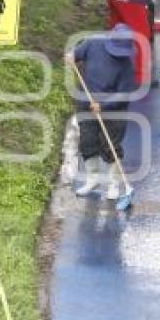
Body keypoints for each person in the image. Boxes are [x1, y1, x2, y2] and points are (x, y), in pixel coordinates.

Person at [65, 23, 137, 201]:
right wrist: (72, 56)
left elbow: (124, 94)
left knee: (110, 145)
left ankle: (114, 185)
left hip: (114, 109)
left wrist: (103, 105)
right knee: (87, 141)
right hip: (87, 100)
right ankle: (93, 180)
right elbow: (76, 53)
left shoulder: (127, 66)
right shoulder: (93, 43)